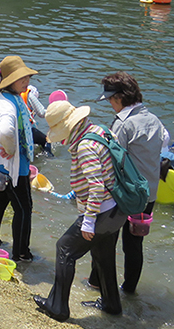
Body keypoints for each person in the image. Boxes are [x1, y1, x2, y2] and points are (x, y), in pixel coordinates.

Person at [33, 101, 127, 321]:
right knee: (103, 255)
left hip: (101, 211)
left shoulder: (85, 146)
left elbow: (96, 186)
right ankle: (112, 305)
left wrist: (88, 221)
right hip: (116, 210)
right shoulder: (100, 131)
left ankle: (57, 308)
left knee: (64, 248)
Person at [88, 71, 167, 294]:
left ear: (119, 98)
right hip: (148, 194)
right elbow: (164, 145)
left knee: (105, 240)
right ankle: (129, 290)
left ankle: (97, 285)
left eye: (111, 100)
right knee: (134, 244)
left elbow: (112, 159)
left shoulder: (123, 124)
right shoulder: (154, 119)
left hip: (123, 195)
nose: (111, 105)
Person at [0, 55, 38, 262]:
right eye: (21, 78)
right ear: (9, 81)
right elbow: (5, 130)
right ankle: (22, 253)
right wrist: (11, 148)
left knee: (0, 197)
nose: (26, 81)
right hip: (11, 165)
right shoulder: (7, 104)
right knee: (24, 208)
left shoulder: (7, 99)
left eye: (26, 77)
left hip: (2, 161)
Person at [23, 85, 54, 156]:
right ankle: (48, 158)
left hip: (14, 129)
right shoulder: (29, 94)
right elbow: (42, 113)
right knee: (46, 140)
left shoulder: (13, 94)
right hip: (26, 130)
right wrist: (56, 111)